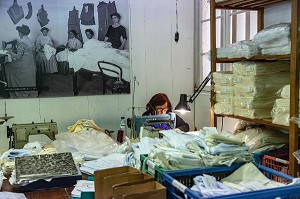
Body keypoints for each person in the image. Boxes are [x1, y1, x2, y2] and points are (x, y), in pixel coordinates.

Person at [5, 24, 37, 98]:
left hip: (23, 65)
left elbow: (17, 57)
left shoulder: (22, 43)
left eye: (19, 32)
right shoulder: (30, 41)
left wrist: (9, 52)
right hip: (30, 64)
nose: (18, 34)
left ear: (21, 33)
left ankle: (13, 89)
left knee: (7, 66)